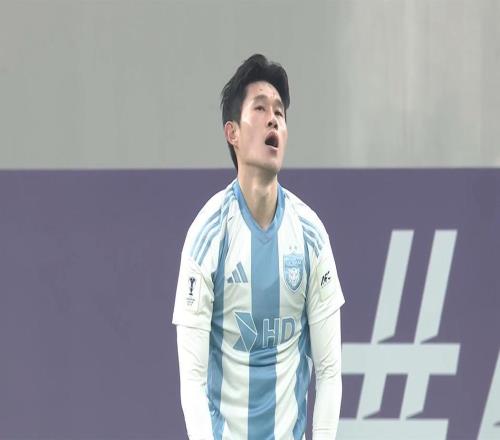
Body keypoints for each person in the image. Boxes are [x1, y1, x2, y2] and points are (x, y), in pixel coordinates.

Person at [172, 54, 345, 440]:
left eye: (280, 112)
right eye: (261, 109)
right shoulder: (208, 236)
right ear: (232, 133)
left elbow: (330, 371)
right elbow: (192, 379)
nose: (274, 120)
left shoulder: (310, 235)